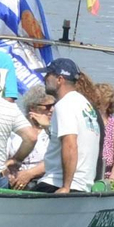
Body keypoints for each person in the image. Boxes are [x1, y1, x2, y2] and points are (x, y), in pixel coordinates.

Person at [39, 58, 102, 195]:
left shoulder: (64, 105)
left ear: (59, 79)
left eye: (48, 75)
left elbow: (70, 144)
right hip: (83, 184)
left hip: (58, 183)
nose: (44, 78)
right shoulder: (85, 104)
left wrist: (66, 187)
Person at [8, 91, 57, 189]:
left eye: (54, 105)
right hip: (14, 183)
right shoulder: (14, 130)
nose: (52, 110)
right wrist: (9, 175)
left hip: (42, 182)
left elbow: (55, 159)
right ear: (33, 108)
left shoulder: (52, 132)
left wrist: (30, 174)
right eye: (48, 106)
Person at [86, 79, 114, 181]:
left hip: (105, 178)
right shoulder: (86, 123)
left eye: (99, 104)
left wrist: (109, 183)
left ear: (107, 105)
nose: (96, 108)